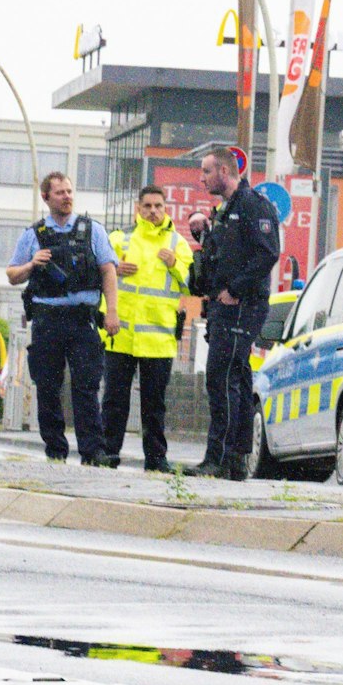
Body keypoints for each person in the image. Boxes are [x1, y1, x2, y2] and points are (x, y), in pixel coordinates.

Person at [5, 172, 120, 465]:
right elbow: (12, 274)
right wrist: (32, 264)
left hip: (83, 320)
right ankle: (55, 450)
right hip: (48, 320)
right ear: (46, 198)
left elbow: (108, 270)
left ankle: (93, 451)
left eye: (69, 191)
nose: (67, 197)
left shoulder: (93, 230)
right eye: (60, 193)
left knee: (86, 386)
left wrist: (112, 312)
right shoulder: (33, 234)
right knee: (47, 386)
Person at [190, 147, 280, 480]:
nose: (202, 179)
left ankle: (218, 458)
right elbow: (222, 256)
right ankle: (236, 459)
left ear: (225, 172)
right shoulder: (226, 210)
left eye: (206, 171)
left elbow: (267, 253)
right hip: (223, 307)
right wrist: (203, 232)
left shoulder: (253, 205)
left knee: (221, 377)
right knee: (236, 377)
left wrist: (235, 290)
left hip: (241, 306)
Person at [101, 186, 193, 472]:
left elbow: (192, 283)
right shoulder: (119, 239)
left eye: (158, 206)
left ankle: (156, 459)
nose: (153, 211)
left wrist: (174, 264)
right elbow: (97, 273)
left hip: (158, 338)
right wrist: (114, 269)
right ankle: (108, 453)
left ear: (166, 209)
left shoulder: (177, 243)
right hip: (120, 334)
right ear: (138, 209)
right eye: (148, 206)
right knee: (114, 400)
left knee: (154, 404)